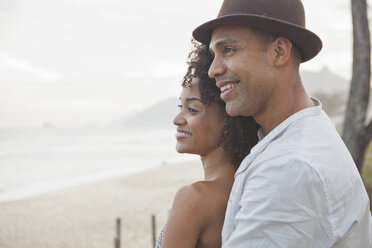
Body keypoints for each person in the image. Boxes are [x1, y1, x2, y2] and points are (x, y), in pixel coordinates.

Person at [191, 0, 372, 247]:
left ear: (279, 52)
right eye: (214, 54)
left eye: (229, 50)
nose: (213, 70)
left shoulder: (289, 167)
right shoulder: (305, 132)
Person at [156, 41, 259, 248]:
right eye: (181, 106)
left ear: (229, 119)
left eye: (192, 109)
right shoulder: (249, 192)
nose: (177, 119)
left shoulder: (194, 198)